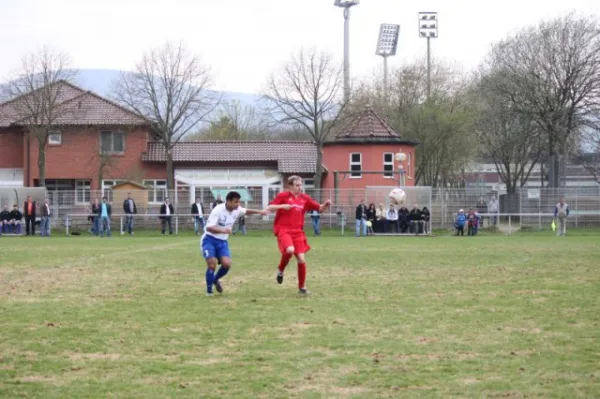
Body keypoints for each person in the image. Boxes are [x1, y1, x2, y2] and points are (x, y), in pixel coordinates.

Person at [267, 175, 331, 295]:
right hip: (284, 230)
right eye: (297, 185)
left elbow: (320, 209)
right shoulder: (283, 196)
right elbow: (269, 207)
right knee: (290, 250)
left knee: (301, 259)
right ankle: (281, 270)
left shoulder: (305, 198)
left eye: (301, 185)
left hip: (297, 232)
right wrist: (282, 206)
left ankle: (302, 288)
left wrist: (326, 204)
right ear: (290, 186)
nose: (300, 187)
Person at [202, 191, 266, 296]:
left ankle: (215, 279)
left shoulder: (237, 209)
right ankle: (209, 290)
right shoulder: (218, 210)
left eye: (239, 202)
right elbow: (209, 227)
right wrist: (224, 230)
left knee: (227, 264)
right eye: (236, 202)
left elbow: (247, 211)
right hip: (210, 239)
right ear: (228, 201)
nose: (238, 205)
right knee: (212, 264)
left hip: (222, 242)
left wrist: (260, 212)